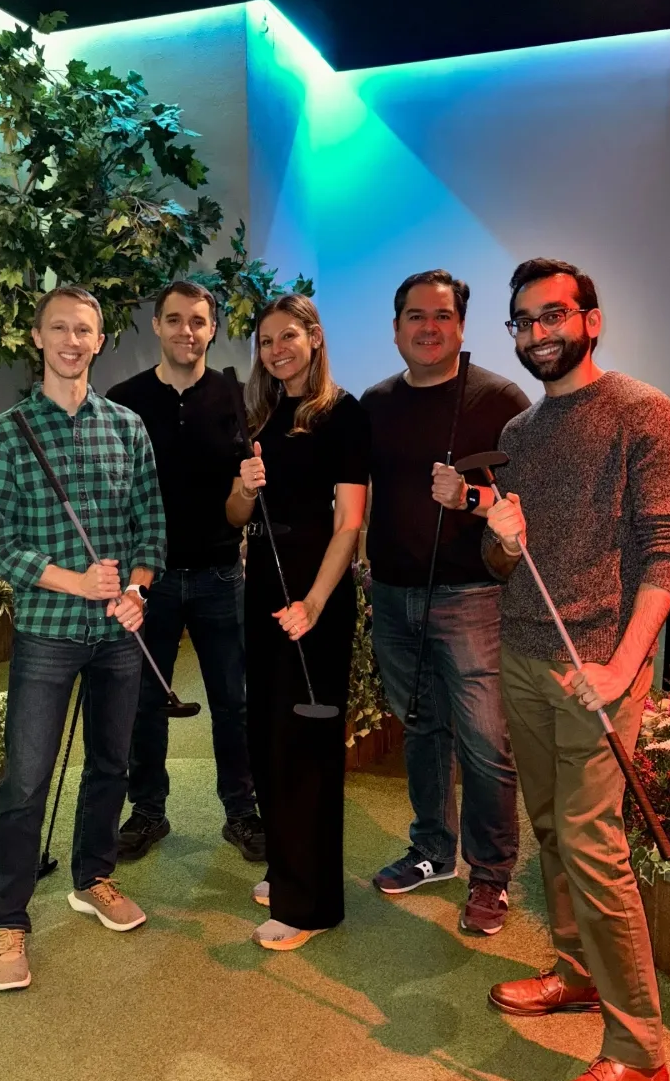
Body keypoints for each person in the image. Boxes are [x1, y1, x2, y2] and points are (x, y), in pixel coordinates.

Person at [482, 258, 670, 1081]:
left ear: (592, 320)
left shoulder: (647, 416)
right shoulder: (522, 433)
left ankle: (640, 1054)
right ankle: (574, 969)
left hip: (598, 664)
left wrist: (621, 667)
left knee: (591, 841)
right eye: (524, 322)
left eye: (553, 317)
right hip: (528, 656)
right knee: (549, 828)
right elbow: (505, 565)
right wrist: (498, 536)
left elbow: (669, 551)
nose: (538, 334)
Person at [0, 285, 166, 992]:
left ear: (98, 340)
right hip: (49, 632)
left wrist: (137, 590)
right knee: (25, 780)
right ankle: (9, 918)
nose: (72, 340)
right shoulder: (5, 434)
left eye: (84, 329)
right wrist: (72, 580)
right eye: (59, 327)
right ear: (38, 338)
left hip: (119, 634)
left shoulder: (127, 427)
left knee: (110, 764)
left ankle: (93, 878)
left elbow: (151, 524)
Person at [363, 270, 529, 935]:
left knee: (486, 742)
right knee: (423, 732)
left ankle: (491, 874)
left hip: (471, 600)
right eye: (413, 316)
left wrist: (467, 498)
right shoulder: (375, 403)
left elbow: (525, 504)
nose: (426, 327)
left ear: (461, 324)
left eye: (440, 316)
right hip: (394, 594)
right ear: (396, 326)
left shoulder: (498, 399)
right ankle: (434, 850)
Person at [229, 295, 369, 951]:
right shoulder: (263, 414)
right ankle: (288, 869)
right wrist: (246, 486)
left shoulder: (344, 415)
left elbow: (349, 523)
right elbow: (235, 516)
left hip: (315, 600)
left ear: (314, 338)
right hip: (264, 594)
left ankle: (309, 906)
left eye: (289, 336)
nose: (277, 349)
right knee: (268, 738)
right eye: (265, 341)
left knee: (304, 749)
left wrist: (313, 603)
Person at [108, 282, 262, 863]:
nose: (186, 332)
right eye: (174, 320)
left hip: (221, 574)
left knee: (232, 700)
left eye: (197, 321)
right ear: (156, 325)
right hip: (151, 580)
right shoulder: (124, 400)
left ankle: (241, 812)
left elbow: (241, 496)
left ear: (212, 327)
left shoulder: (236, 399)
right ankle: (147, 810)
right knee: (146, 700)